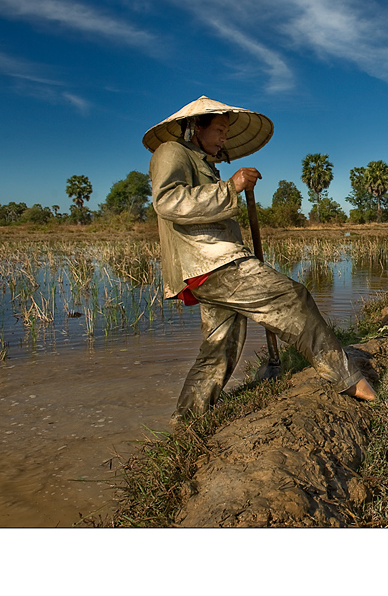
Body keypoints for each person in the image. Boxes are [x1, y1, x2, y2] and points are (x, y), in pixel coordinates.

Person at [143, 95, 376, 420]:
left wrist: (228, 186)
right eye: (220, 129)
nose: (224, 137)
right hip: (211, 264)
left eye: (226, 131)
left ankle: (188, 423)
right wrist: (232, 187)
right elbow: (168, 201)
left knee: (219, 350)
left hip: (215, 263)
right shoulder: (172, 152)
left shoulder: (204, 163)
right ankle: (346, 377)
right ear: (197, 126)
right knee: (292, 298)